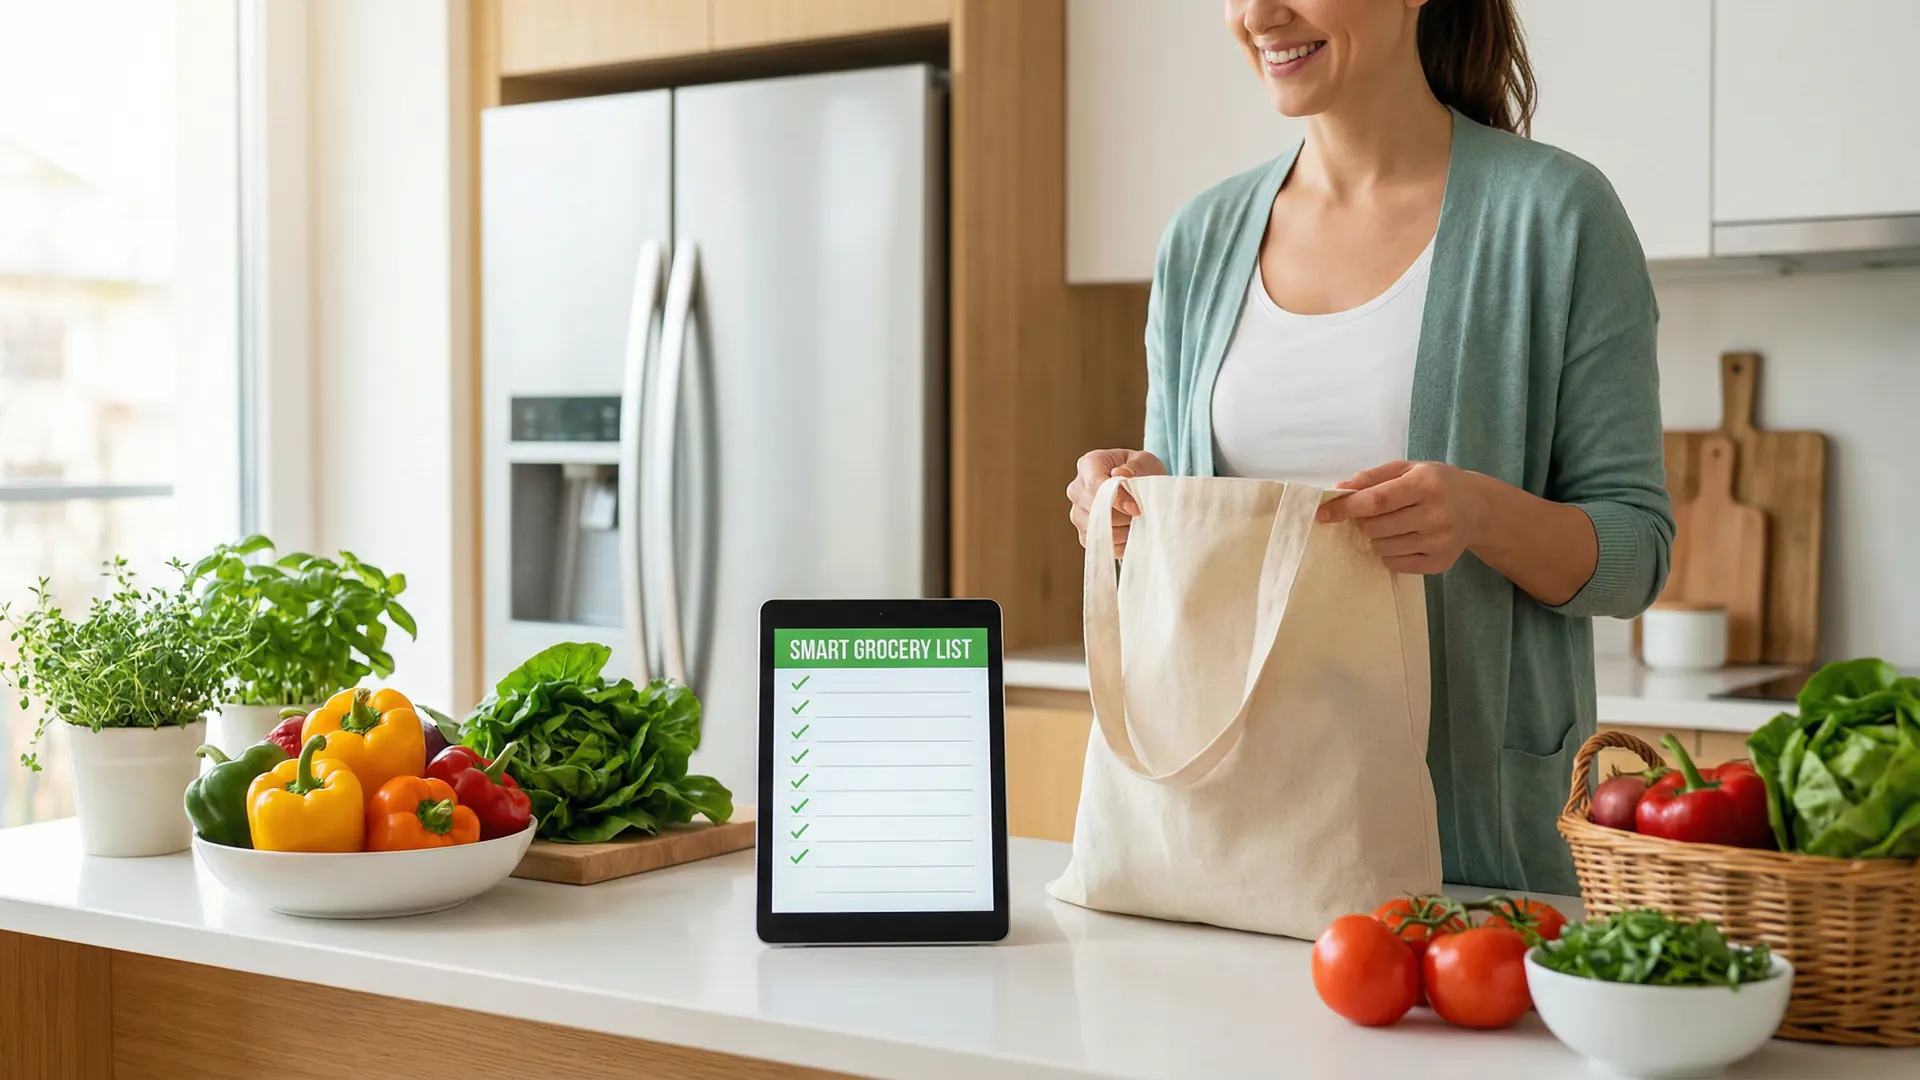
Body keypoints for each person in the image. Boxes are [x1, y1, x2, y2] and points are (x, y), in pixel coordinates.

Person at [1065, 0, 1673, 894]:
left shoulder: (1556, 216)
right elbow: (1187, 564)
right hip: (1225, 839)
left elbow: (1637, 556)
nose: (1259, 15)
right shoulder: (1200, 239)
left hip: (1463, 855)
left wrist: (1479, 514)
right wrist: (1135, 508)